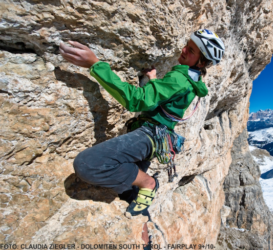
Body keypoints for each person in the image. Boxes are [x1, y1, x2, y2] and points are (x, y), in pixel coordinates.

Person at [59, 28, 224, 242]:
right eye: (187, 44)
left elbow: (136, 100)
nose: (184, 50)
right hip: (157, 137)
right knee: (128, 191)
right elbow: (164, 98)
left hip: (147, 134)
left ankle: (148, 183)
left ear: (201, 63)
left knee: (87, 164)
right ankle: (141, 213)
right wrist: (154, 81)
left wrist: (95, 65)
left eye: (191, 51)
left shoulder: (180, 78)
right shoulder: (190, 80)